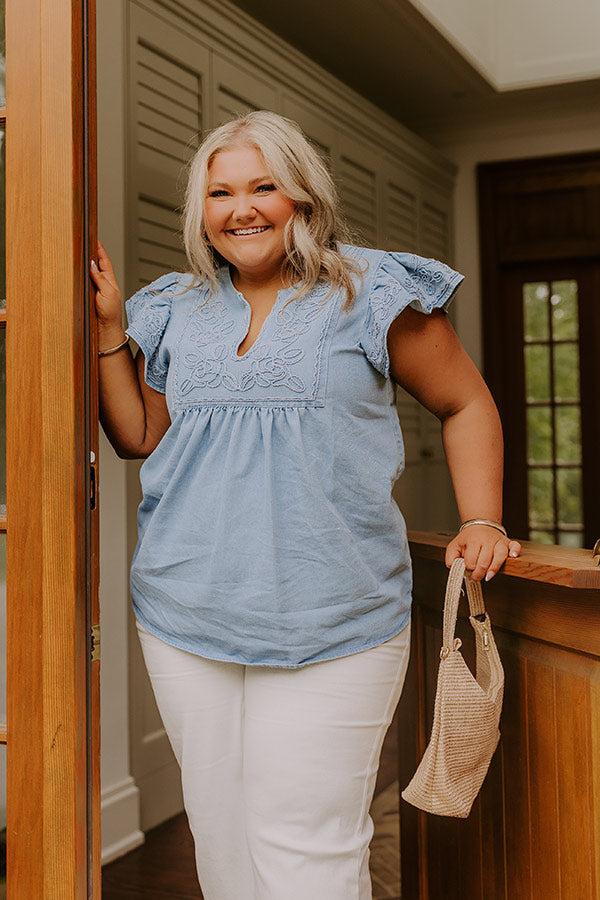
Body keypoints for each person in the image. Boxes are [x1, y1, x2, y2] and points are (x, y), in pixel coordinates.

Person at [91, 110, 522, 899]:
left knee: (308, 856)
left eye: (264, 185)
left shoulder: (373, 290)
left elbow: (467, 404)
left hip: (338, 618)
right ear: (202, 212)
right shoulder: (174, 307)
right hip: (186, 612)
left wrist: (482, 517)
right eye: (220, 192)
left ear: (303, 196)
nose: (241, 207)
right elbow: (140, 435)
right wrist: (113, 331)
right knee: (222, 841)